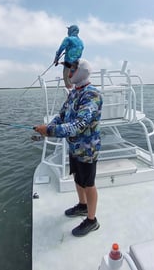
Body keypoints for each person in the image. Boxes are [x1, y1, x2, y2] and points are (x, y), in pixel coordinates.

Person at [34, 59, 103, 237]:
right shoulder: (74, 93)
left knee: (89, 184)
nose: (69, 72)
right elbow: (62, 115)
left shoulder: (92, 95)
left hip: (87, 150)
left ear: (81, 71)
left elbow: (79, 124)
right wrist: (48, 126)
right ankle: (82, 205)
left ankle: (92, 220)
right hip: (74, 147)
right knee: (77, 178)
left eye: (72, 68)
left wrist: (49, 131)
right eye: (69, 68)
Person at [53, 25, 84, 89]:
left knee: (68, 83)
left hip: (68, 65)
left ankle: (71, 96)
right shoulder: (81, 42)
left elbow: (61, 48)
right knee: (75, 84)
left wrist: (56, 58)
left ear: (71, 30)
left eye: (69, 30)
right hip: (77, 66)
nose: (68, 31)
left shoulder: (68, 39)